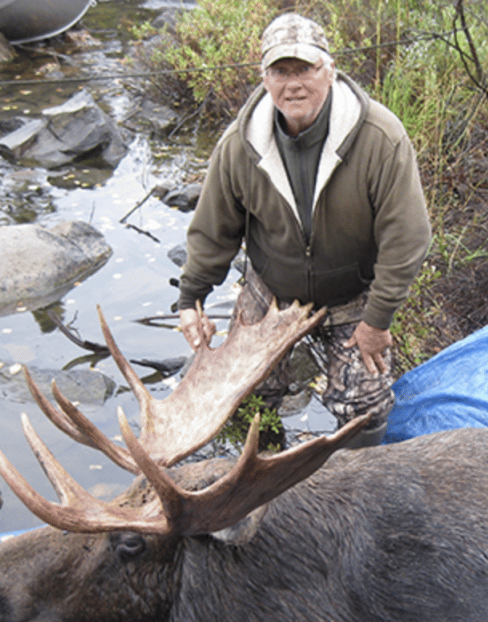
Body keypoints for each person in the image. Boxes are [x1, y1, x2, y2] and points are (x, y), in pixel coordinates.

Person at [177, 12, 431, 449]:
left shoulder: (379, 137)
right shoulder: (239, 145)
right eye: (280, 71)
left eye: (305, 69)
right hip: (272, 289)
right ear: (264, 77)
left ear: (329, 70)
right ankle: (265, 481)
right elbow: (213, 230)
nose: (293, 83)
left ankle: (356, 491)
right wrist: (190, 298)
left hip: (352, 293)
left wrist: (377, 320)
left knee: (365, 409)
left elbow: (407, 238)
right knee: (243, 399)